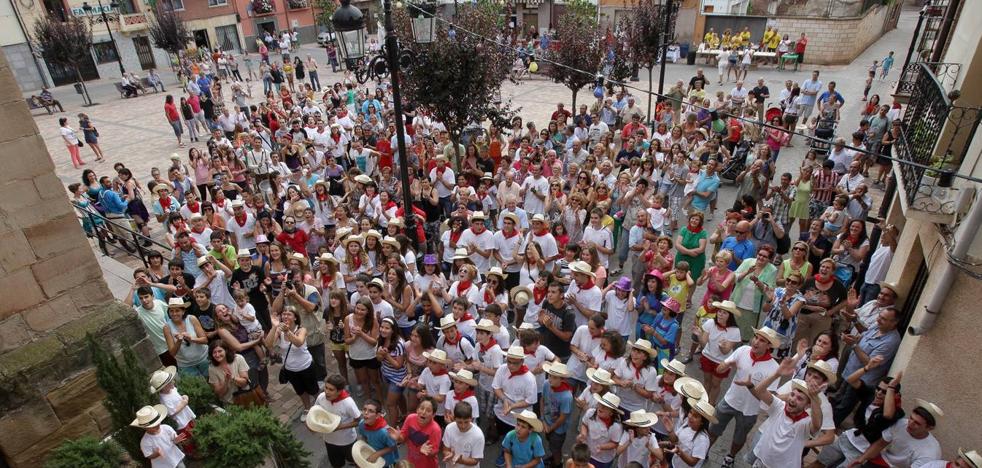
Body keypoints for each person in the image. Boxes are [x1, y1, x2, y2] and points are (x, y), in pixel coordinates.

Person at [708, 327, 782, 467]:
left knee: (739, 438)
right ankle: (704, 451)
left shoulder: (774, 368)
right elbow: (719, 369)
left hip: (750, 410)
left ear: (768, 346)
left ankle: (730, 457)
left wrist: (750, 386)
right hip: (730, 400)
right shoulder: (742, 351)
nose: (756, 342)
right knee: (713, 430)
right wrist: (726, 364)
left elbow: (768, 398)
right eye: (756, 337)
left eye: (762, 340)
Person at [311, 374, 362, 467]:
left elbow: (358, 421)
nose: (326, 392)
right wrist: (311, 424)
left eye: (331, 389)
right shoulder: (321, 397)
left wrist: (338, 427)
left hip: (347, 441)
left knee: (356, 462)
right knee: (336, 464)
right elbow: (315, 412)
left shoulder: (348, 403)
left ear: (339, 391)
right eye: (326, 387)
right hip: (329, 441)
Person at [388, 396, 442, 468]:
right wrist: (398, 438)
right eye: (422, 408)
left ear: (433, 415)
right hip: (411, 461)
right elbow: (403, 438)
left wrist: (427, 451)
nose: (423, 412)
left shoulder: (436, 429)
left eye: (428, 410)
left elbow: (434, 452)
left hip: (428, 465)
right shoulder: (410, 418)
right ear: (417, 409)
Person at [442, 402, 486, 468]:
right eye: (459, 422)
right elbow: (445, 449)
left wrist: (460, 460)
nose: (463, 426)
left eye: (466, 422)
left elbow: (475, 460)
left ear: (471, 418)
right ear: (454, 418)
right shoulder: (449, 428)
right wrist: (448, 454)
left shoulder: (478, 435)